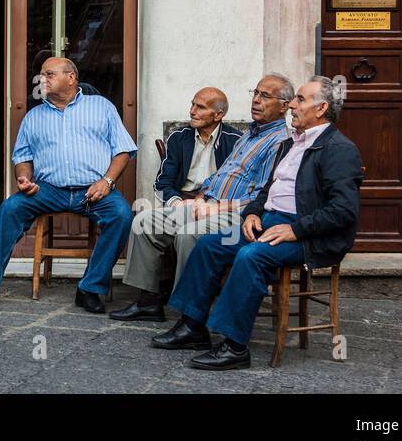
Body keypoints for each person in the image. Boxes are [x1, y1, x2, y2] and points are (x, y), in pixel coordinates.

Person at [153, 76, 364, 370]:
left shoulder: (339, 150)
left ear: (321, 109)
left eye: (300, 100)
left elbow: (344, 210)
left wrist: (295, 230)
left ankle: (235, 346)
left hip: (310, 235)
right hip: (269, 221)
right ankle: (192, 326)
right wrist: (253, 212)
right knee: (210, 245)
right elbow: (267, 191)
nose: (292, 105)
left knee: (250, 256)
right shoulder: (290, 145)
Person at [0, 57, 136, 314]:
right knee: (11, 208)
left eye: (49, 74)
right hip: (49, 190)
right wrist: (25, 179)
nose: (42, 79)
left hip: (94, 190)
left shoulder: (102, 107)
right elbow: (23, 157)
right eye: (41, 75)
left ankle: (90, 288)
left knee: (121, 214)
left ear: (71, 77)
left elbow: (123, 151)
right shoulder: (34, 116)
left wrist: (107, 181)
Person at [111, 77, 292, 322]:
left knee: (189, 234)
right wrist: (199, 198)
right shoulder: (247, 135)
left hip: (235, 211)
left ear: (284, 106)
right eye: (255, 93)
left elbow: (264, 194)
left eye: (265, 96)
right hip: (202, 202)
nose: (256, 100)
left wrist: (215, 206)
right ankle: (148, 302)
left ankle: (190, 314)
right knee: (144, 222)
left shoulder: (277, 142)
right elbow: (213, 177)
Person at [152, 87, 241, 207]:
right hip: (183, 200)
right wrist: (178, 204)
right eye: (192, 104)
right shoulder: (178, 138)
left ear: (218, 115)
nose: (192, 111)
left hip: (217, 204)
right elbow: (162, 183)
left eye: (201, 107)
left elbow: (238, 185)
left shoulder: (236, 142)